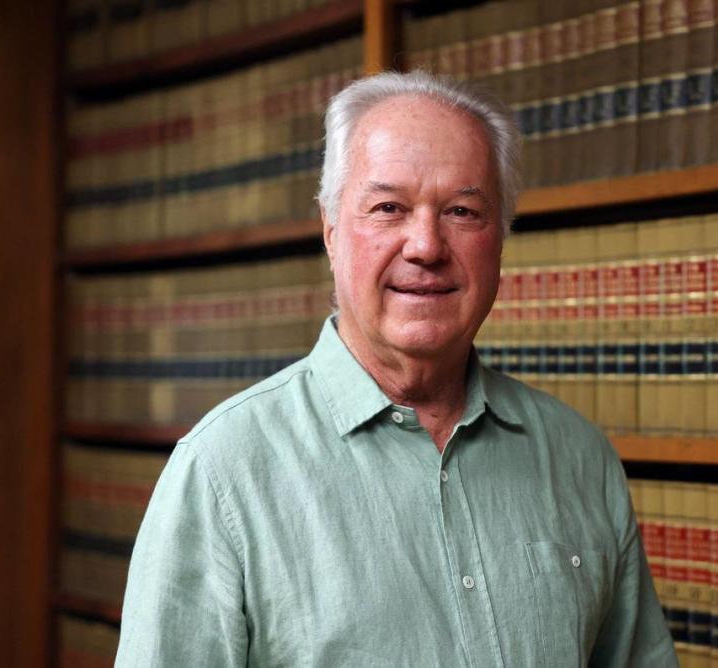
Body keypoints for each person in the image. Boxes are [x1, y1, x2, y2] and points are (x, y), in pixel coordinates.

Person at [116, 70, 678, 667]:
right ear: (331, 233)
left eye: (462, 211)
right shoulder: (223, 471)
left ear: (501, 241)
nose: (426, 246)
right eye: (388, 208)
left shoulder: (579, 457)